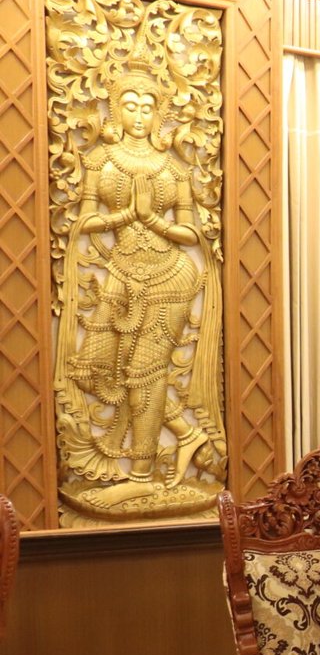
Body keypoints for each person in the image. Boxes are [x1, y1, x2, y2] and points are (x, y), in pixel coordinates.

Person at [59, 62, 225, 511]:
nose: (138, 115)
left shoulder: (174, 169)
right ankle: (187, 434)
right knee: (94, 368)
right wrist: (123, 218)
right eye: (129, 106)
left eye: (147, 108)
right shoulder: (99, 160)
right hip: (120, 273)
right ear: (116, 111)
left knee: (145, 374)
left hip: (171, 275)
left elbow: (192, 234)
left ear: (158, 117)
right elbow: (87, 221)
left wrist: (155, 221)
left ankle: (141, 475)